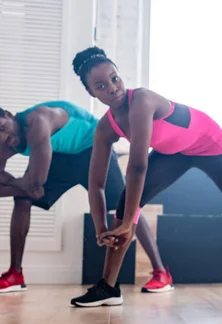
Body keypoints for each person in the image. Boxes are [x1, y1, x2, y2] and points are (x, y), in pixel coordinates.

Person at [69, 46, 222, 307]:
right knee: (123, 207)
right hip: (175, 152)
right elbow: (95, 184)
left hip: (209, 142)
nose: (112, 88)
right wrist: (101, 230)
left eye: (114, 78)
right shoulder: (106, 127)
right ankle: (107, 287)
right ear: (91, 93)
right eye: (101, 86)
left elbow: (137, 166)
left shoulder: (140, 100)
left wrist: (129, 222)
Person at [0, 102, 173, 295]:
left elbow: (35, 185)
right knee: (23, 200)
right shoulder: (6, 141)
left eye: (2, 128)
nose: (6, 138)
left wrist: (16, 184)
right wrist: (21, 186)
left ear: (8, 114)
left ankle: (161, 273)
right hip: (62, 155)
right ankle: (15, 273)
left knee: (127, 205)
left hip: (94, 147)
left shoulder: (37, 122)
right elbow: (26, 188)